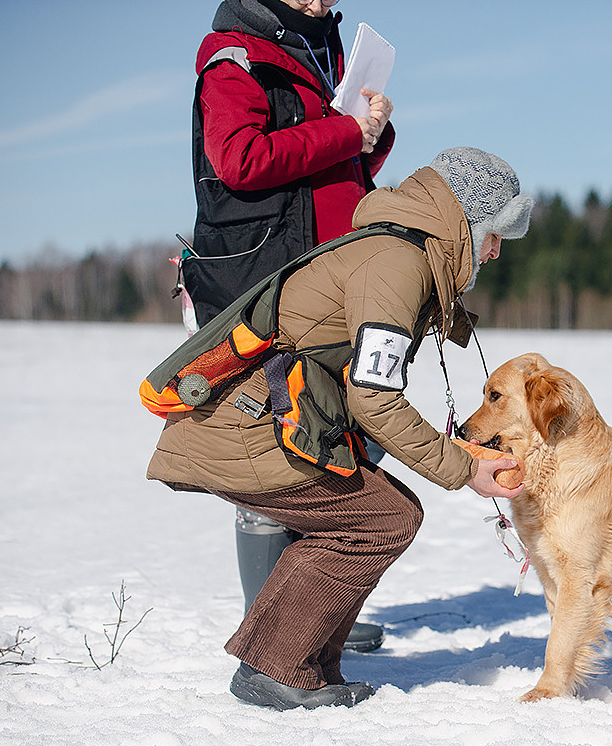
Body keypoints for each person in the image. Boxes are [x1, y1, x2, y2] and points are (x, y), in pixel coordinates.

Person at [148, 147, 534, 709]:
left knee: (379, 511)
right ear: (463, 220)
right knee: (380, 518)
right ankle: (276, 666)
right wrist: (464, 468)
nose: (497, 252)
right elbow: (375, 396)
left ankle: (307, 664)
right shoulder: (396, 265)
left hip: (264, 419)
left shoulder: (399, 254)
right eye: (494, 233)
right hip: (244, 426)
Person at [185, 0, 395, 653]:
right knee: (273, 457)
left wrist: (371, 135)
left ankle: (318, 604)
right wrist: (343, 132)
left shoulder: (322, 46)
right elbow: (240, 160)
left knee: (347, 435)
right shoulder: (235, 61)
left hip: (329, 278)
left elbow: (326, 167)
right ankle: (275, 636)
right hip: (265, 288)